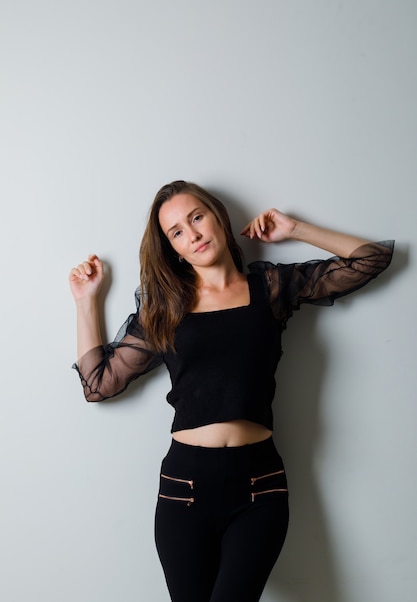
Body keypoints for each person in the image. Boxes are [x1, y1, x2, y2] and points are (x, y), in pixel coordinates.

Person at [69, 180, 394, 602]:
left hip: (259, 488)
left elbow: (372, 258)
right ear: (172, 249)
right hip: (184, 488)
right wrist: (85, 302)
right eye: (177, 232)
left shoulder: (271, 288)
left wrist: (294, 229)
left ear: (218, 217)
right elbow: (98, 383)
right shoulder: (165, 309)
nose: (194, 234)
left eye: (197, 217)